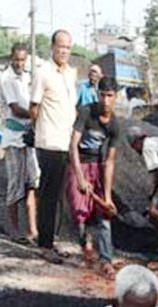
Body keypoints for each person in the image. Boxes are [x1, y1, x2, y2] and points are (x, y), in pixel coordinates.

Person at [30, 29, 79, 265]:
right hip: (49, 141)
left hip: (66, 141)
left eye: (68, 48)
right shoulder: (43, 72)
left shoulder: (71, 73)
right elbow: (34, 108)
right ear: (52, 47)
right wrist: (38, 130)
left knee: (58, 195)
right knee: (48, 195)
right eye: (60, 47)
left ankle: (51, 239)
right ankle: (45, 245)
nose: (64, 51)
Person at [66, 76, 122, 275]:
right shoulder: (86, 112)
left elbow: (110, 161)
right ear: (97, 94)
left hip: (97, 166)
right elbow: (72, 145)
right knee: (79, 211)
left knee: (103, 213)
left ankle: (106, 259)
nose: (105, 101)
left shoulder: (114, 125)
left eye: (110, 96)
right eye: (102, 95)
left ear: (116, 97)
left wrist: (106, 196)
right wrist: (80, 177)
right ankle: (85, 243)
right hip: (78, 163)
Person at [0, 43, 41, 245]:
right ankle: (14, 229)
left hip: (28, 136)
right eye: (17, 59)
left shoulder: (27, 77)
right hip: (14, 138)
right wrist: (36, 114)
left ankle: (32, 228)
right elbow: (16, 109)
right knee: (15, 184)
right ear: (11, 58)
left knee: (32, 181)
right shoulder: (6, 78)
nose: (20, 63)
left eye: (23, 60)